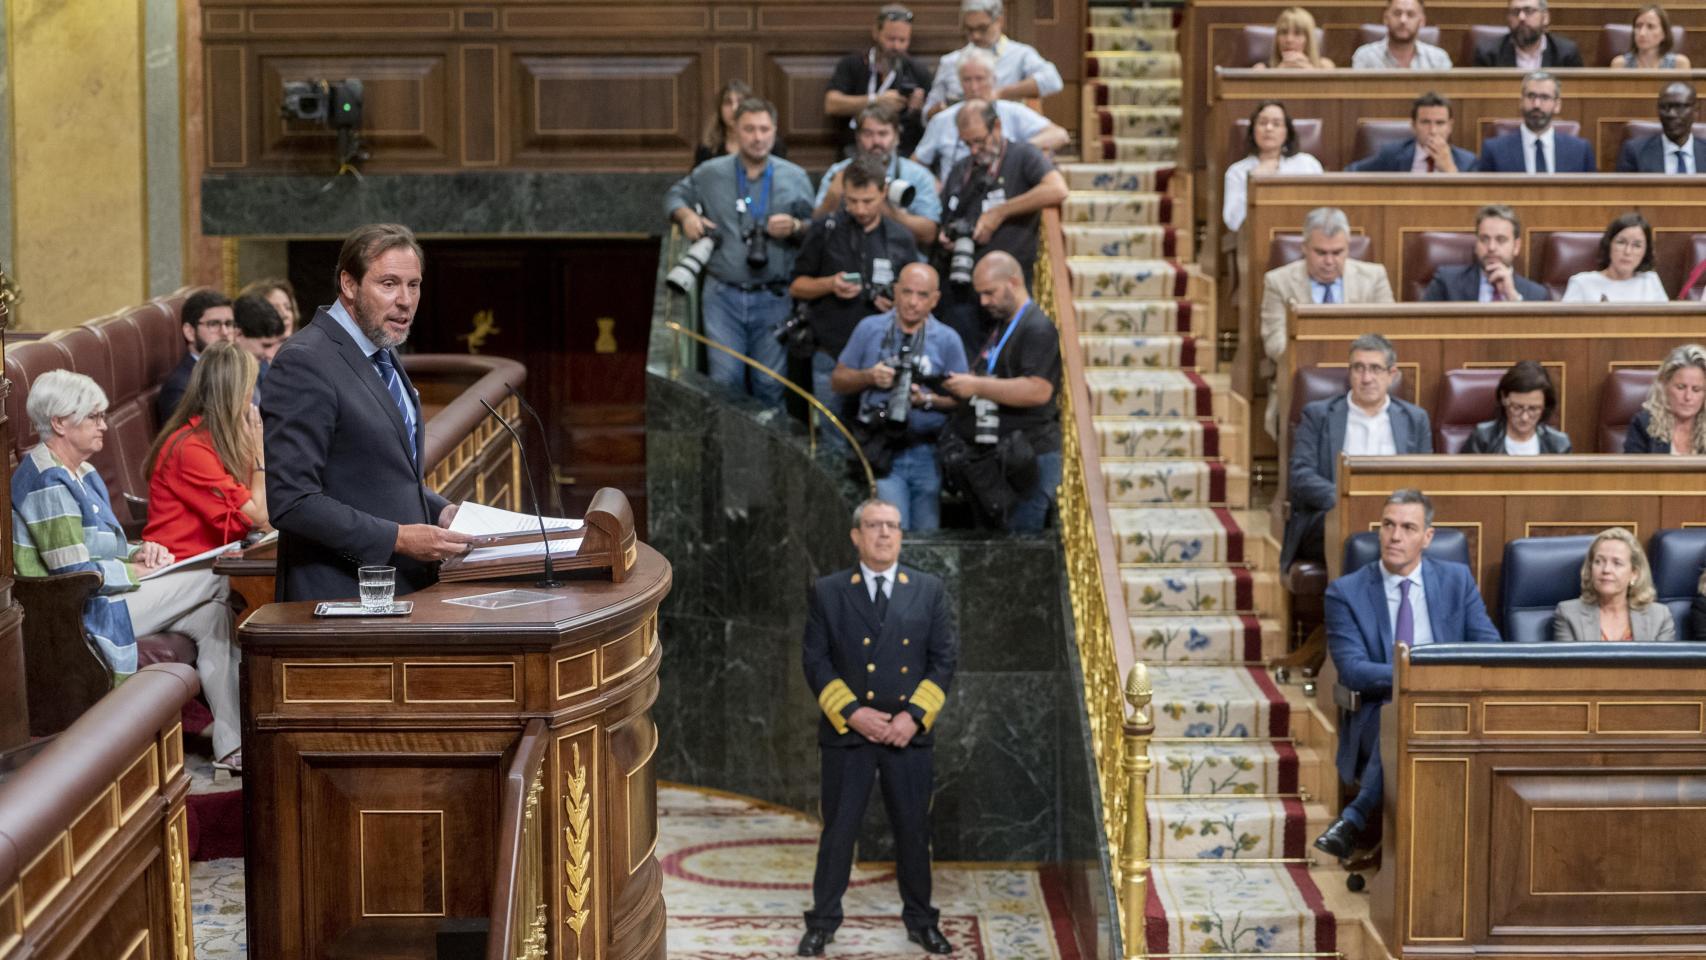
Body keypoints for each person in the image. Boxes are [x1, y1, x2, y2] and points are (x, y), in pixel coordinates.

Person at [13, 370, 243, 769]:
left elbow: (104, 548)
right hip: (76, 616)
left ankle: (232, 746)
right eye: (94, 416)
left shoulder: (80, 471)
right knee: (218, 578)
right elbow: (73, 573)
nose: (104, 425)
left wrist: (141, 551)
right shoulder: (47, 481)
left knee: (212, 615)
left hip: (103, 594)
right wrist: (136, 572)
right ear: (59, 423)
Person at [263, 223, 474, 602]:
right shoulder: (304, 362)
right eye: (389, 284)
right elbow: (292, 501)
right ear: (349, 284)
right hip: (338, 599)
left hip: (399, 593)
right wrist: (397, 538)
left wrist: (438, 510)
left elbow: (376, 475)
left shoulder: (381, 349)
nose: (406, 300)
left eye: (414, 285)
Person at [799, 498, 957, 957]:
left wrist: (914, 717)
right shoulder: (829, 591)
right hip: (849, 734)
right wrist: (851, 712)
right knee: (839, 832)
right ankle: (822, 923)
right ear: (856, 535)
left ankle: (922, 921)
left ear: (902, 535)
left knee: (913, 832)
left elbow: (943, 660)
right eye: (873, 525)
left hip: (907, 735)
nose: (884, 534)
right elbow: (815, 660)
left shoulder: (928, 589)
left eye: (892, 526)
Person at [1313, 489, 1501, 858]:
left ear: (1427, 537)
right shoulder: (1345, 593)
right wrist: (1414, 678)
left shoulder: (1457, 581)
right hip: (1378, 711)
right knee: (1404, 720)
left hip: (1454, 706)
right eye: (1388, 525)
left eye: (1408, 527)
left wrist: (1438, 684)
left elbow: (1489, 649)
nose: (1395, 536)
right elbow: (1352, 670)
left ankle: (1356, 817)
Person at [666, 98, 815, 406]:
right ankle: (727, 455)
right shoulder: (710, 173)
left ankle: (768, 455)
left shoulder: (795, 177)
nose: (757, 137)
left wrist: (797, 226)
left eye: (764, 129)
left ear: (774, 131)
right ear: (735, 130)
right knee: (725, 381)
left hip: (774, 297)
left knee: (770, 384)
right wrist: (687, 216)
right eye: (749, 129)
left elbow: (816, 231)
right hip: (723, 294)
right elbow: (674, 195)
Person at [790, 156, 922, 436]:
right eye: (851, 201)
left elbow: (917, 296)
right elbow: (797, 285)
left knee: (879, 438)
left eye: (868, 201)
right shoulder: (826, 230)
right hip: (831, 354)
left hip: (883, 359)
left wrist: (896, 301)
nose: (860, 209)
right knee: (832, 437)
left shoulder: (901, 238)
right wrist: (829, 284)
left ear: (884, 193)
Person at [833, 264, 968, 531]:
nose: (913, 302)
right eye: (907, 292)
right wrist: (869, 377)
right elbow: (838, 381)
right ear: (895, 291)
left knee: (927, 536)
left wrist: (926, 400)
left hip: (927, 451)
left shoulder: (947, 339)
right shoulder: (869, 328)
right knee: (892, 531)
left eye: (922, 295)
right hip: (883, 450)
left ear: (935, 300)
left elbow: (962, 399)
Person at [1282, 334, 1432, 571]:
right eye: (1358, 368)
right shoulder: (1318, 415)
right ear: (1349, 372)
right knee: (1362, 542)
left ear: (1392, 375)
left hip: (1397, 519)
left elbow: (1425, 480)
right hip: (1333, 517)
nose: (1366, 378)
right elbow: (1301, 476)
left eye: (1375, 369)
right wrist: (1347, 501)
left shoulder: (1415, 419)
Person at [939, 252, 1061, 532]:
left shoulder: (1037, 327)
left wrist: (977, 386)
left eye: (989, 293)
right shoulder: (1003, 324)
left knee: (1020, 549)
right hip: (999, 456)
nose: (983, 302)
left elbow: (1038, 390)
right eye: (980, 294)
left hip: (1029, 457)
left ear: (1014, 281)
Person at [933, 100, 1068, 354]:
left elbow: (1057, 189)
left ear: (996, 127)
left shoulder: (1023, 155)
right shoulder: (962, 169)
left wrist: (999, 212)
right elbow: (946, 217)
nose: (974, 150)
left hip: (1008, 290)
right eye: (967, 143)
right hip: (963, 289)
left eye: (979, 141)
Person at [1259, 207, 1395, 438]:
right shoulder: (1278, 282)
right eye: (1320, 252)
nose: (1329, 261)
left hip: (1365, 378)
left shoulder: (1374, 278)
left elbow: (1389, 338)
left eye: (1337, 252)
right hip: (1301, 382)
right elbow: (1275, 344)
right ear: (1304, 248)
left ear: (1348, 248)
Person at [144, 341, 270, 556]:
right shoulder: (190, 448)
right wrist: (259, 455)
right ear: (238, 394)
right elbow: (257, 517)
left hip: (221, 556)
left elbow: (266, 513)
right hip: (183, 563)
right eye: (251, 387)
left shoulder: (225, 438)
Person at [912, 51, 1068, 184]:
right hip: (956, 199)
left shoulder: (1012, 112)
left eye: (979, 79)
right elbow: (916, 163)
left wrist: (1014, 153)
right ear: (960, 83)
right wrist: (936, 188)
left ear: (993, 79)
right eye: (967, 80)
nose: (974, 87)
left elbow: (1059, 135)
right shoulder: (942, 120)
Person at [815, 103, 942, 247]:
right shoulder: (839, 172)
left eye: (883, 134)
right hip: (846, 253)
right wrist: (833, 196)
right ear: (858, 137)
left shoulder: (918, 175)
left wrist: (886, 210)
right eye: (868, 134)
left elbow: (929, 234)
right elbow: (816, 227)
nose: (876, 142)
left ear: (896, 137)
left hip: (900, 256)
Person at [824, 5, 934, 157]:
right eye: (891, 39)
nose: (896, 46)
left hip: (901, 152)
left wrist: (919, 109)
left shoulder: (918, 71)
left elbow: (932, 118)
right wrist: (875, 100)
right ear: (876, 33)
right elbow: (832, 104)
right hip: (855, 150)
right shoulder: (852, 64)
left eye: (903, 40)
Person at [924, 0, 1062, 118]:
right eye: (969, 30)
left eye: (982, 28)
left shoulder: (1020, 55)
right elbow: (927, 113)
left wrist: (1000, 93)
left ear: (999, 21)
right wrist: (940, 111)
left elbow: (1053, 81)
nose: (976, 36)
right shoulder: (950, 62)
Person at [1552, 528, 1675, 642]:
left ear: (1634, 574)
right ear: (1590, 569)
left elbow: (1664, 665)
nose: (1606, 570)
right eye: (1598, 561)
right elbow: (1569, 665)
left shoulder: (1659, 617)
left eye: (1617, 563)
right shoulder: (1568, 614)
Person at [1222, 101, 1324, 232]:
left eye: (1276, 124)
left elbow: (1322, 212)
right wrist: (1252, 182)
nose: (1269, 128)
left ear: (1287, 132)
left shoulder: (1308, 164)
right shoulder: (1237, 171)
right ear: (1253, 130)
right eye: (1263, 123)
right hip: (1257, 236)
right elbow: (1233, 221)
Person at [1422, 204, 1549, 302]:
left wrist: (1513, 298)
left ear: (1516, 246)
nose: (1491, 247)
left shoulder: (1537, 295)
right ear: (1476, 243)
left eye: (1501, 240)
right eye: (1484, 239)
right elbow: (1422, 328)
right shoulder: (1447, 282)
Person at [1477, 72, 1595, 173]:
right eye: (1531, 96)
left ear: (1557, 105)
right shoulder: (1495, 150)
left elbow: (1591, 195)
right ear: (1521, 102)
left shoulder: (1580, 150)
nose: (1536, 104)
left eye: (1544, 97)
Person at [1346, 92, 1477, 173]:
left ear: (1450, 126)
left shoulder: (1467, 162)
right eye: (1425, 122)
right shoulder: (1392, 155)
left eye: (1440, 123)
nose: (1432, 130)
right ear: (1413, 125)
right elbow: (1351, 172)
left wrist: (1450, 170)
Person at [1461, 360, 1572, 454]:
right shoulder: (1482, 438)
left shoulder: (1559, 445)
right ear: (1504, 398)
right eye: (1517, 407)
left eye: (1533, 409)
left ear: (1545, 405)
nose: (1524, 417)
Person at [158, 289, 235, 423]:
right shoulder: (180, 388)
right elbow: (185, 440)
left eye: (229, 324)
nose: (225, 332)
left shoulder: (235, 369)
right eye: (214, 324)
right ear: (189, 332)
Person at [1562, 213, 1669, 303]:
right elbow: (1563, 326)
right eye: (1621, 242)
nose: (1627, 252)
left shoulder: (1650, 281)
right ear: (1609, 244)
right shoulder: (1582, 283)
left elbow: (1665, 324)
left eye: (1637, 245)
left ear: (1645, 251)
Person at [1625, 343, 1706, 454]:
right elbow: (1632, 470)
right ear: (1664, 386)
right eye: (1681, 387)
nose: (1688, 397)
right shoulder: (1644, 425)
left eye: (1696, 389)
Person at [695, 80, 790, 167]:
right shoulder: (707, 147)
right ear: (720, 109)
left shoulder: (770, 144)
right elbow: (696, 182)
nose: (734, 108)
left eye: (740, 101)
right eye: (728, 102)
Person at [1616, 82, 1703, 173]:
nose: (1671, 114)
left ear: (1695, 111)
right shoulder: (1635, 152)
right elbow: (1622, 187)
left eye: (1679, 107)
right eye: (1665, 107)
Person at [1472, 0, 1584, 67]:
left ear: (1545, 17)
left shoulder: (1565, 53)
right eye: (1515, 12)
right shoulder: (1488, 54)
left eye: (1528, 11)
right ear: (1508, 18)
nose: (1521, 17)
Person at [1350, 0, 1453, 68]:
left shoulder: (1439, 59)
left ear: (1422, 21)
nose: (1403, 20)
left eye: (1410, 14)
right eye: (1397, 13)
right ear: (1386, 18)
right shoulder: (1365, 56)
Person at [1253, 7, 1335, 69]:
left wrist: (1310, 72)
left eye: (1297, 33)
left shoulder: (1325, 67)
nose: (1289, 40)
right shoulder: (1261, 69)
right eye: (1284, 32)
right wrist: (1278, 73)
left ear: (1309, 39)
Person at [1610, 5, 1690, 68]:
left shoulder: (1679, 64)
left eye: (1650, 26)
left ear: (1664, 34)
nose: (1642, 33)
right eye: (1638, 26)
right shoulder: (1620, 64)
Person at [233, 291, 286, 380]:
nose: (271, 355)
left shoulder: (264, 369)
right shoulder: (214, 375)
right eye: (266, 345)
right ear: (238, 334)